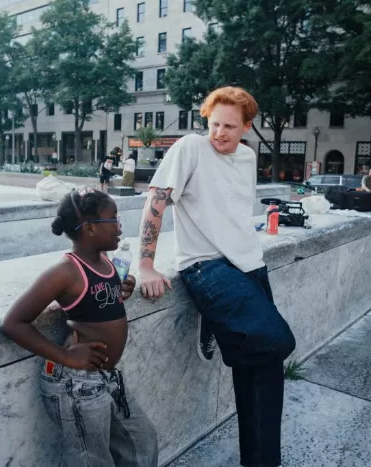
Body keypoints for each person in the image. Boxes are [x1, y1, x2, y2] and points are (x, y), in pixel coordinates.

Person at [136, 86, 296, 467]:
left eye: (229, 126)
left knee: (258, 365)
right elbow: (156, 201)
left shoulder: (247, 156)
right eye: (213, 124)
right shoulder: (191, 147)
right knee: (277, 341)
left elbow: (231, 214)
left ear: (247, 127)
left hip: (250, 266)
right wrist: (144, 265)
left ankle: (259, 460)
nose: (219, 133)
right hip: (205, 265)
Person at [0, 189, 158, 467]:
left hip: (105, 377)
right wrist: (68, 357)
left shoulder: (106, 261)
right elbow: (13, 322)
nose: (120, 226)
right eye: (114, 219)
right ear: (90, 228)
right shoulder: (66, 271)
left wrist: (122, 288)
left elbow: (100, 301)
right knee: (92, 461)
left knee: (142, 444)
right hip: (75, 383)